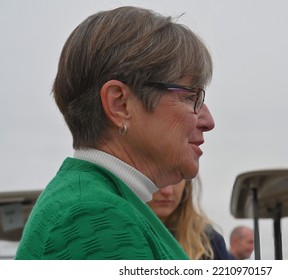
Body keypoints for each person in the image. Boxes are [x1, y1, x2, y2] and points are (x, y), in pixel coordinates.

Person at [16, 6, 215, 260]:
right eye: (190, 96)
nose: (208, 120)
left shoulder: (97, 201)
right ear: (120, 104)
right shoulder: (93, 216)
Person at [147, 177, 232, 260]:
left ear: (187, 185)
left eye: (177, 178)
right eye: (154, 176)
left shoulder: (209, 242)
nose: (167, 191)